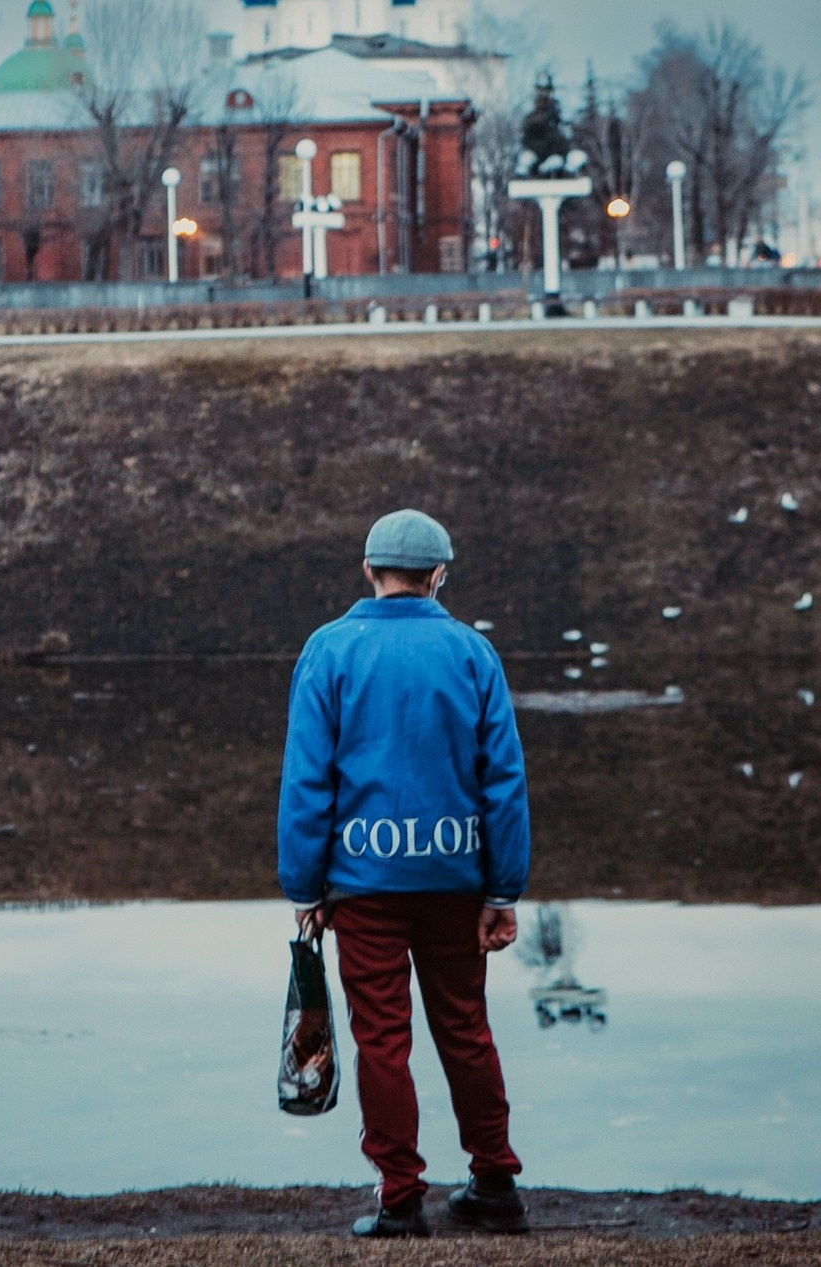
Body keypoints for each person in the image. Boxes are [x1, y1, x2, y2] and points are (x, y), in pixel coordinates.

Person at [278, 508, 532, 1238]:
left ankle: (399, 1198)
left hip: (363, 888)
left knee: (382, 1039)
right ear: (439, 574)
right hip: (456, 881)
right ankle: (495, 1182)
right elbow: (503, 781)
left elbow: (307, 782)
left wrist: (305, 885)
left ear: (369, 569)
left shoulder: (329, 650)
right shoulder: (472, 653)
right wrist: (503, 888)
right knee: (466, 1029)